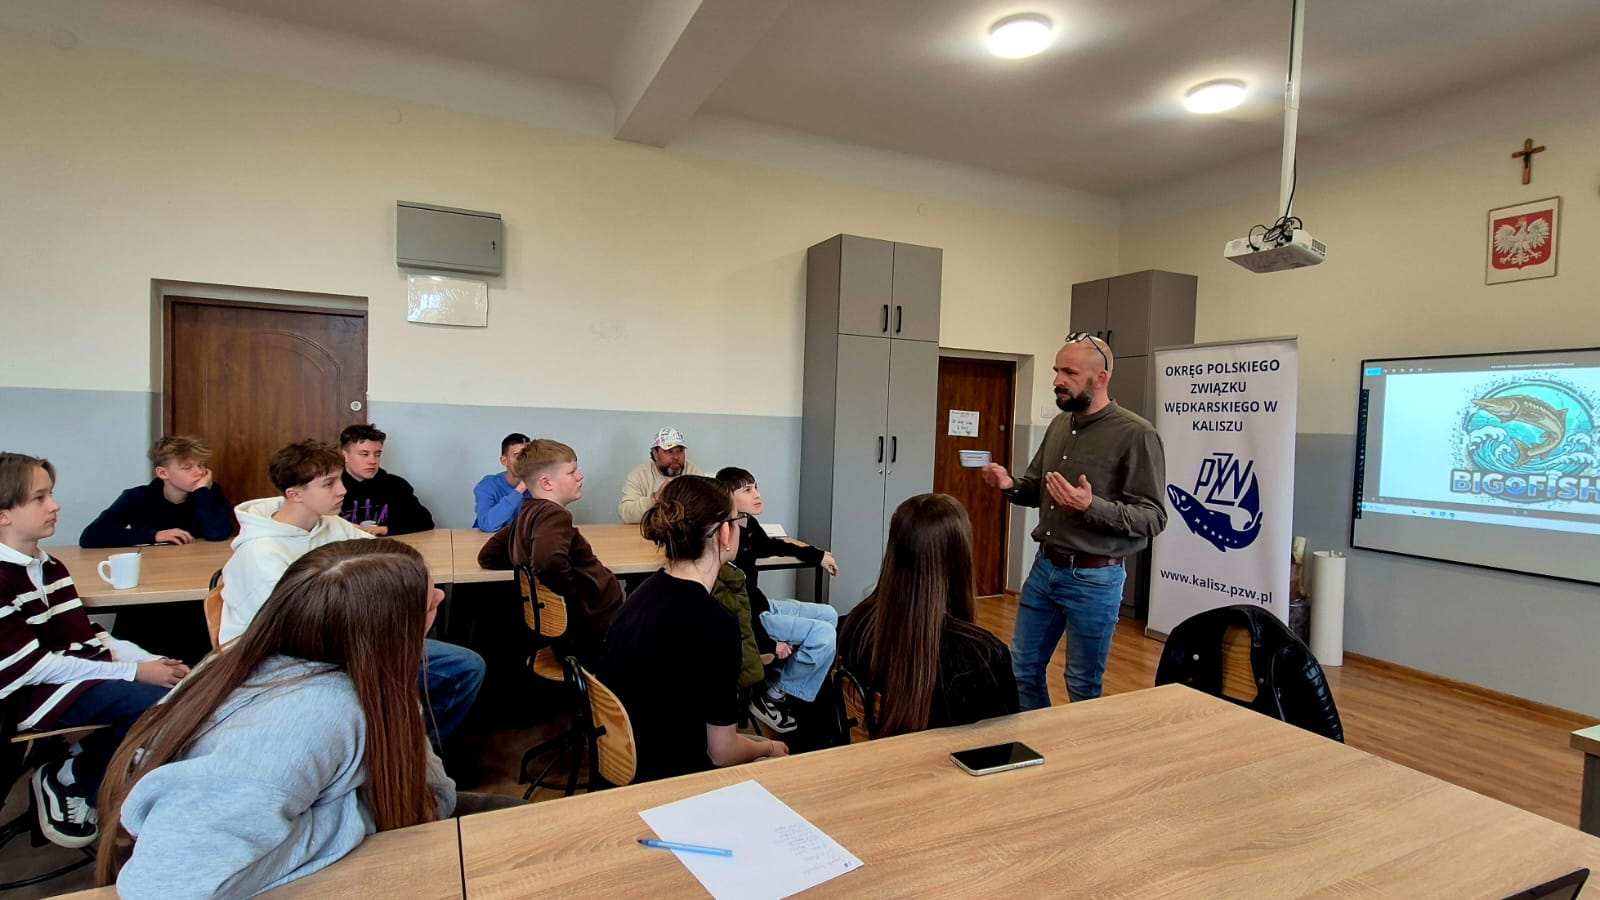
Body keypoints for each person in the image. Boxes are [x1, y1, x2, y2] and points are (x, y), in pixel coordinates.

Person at [96, 540, 522, 898]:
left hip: (368, 823)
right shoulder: (307, 718)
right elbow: (166, 886)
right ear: (383, 629)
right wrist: (358, 816)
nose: (441, 598)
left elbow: (430, 794)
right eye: (427, 601)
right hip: (262, 876)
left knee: (527, 821)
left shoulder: (356, 678)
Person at [221, 440, 483, 746]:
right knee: (404, 679)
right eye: (329, 484)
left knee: (465, 665)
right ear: (295, 494)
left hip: (348, 640)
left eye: (340, 480)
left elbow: (386, 556)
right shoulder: (262, 554)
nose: (342, 490)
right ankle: (388, 751)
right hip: (287, 660)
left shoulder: (331, 525)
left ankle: (415, 751)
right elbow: (295, 635)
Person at [0, 452, 187, 850]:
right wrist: (136, 673)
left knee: (179, 693)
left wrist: (148, 661)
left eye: (51, 494)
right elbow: (32, 668)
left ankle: (80, 769)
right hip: (20, 695)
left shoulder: (49, 565)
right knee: (155, 705)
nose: (55, 506)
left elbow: (88, 637)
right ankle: (72, 778)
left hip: (59, 675)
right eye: (39, 498)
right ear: (3, 515)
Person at [980, 333, 1167, 707]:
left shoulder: (1137, 434)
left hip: (1094, 579)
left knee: (1082, 685)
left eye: (1069, 373)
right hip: (1045, 569)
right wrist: (1009, 484)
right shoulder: (1059, 426)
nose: (1057, 381)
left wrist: (1090, 506)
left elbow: (1153, 518)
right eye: (1056, 371)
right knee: (1022, 671)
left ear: (1101, 378)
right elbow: (1036, 488)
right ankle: (1040, 739)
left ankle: (1079, 746)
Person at [598, 476, 786, 781]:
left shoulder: (640, 595)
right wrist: (769, 747)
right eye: (737, 520)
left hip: (626, 762)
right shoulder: (716, 623)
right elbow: (722, 753)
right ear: (724, 533)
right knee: (776, 756)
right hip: (673, 775)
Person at [837, 493, 1017, 737]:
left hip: (877, 758)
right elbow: (1003, 748)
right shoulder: (982, 656)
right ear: (960, 557)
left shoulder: (855, 624)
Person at [713, 467, 840, 734]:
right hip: (752, 617)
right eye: (747, 490)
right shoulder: (723, 537)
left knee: (829, 614)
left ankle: (780, 679)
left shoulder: (747, 524)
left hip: (760, 604)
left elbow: (774, 546)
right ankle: (773, 695)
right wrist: (770, 643)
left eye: (756, 487)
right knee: (824, 635)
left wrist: (818, 555)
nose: (757, 495)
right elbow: (734, 610)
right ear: (727, 497)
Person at [476, 440, 623, 665]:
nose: (580, 476)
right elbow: (547, 563)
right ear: (546, 483)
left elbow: (488, 556)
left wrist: (526, 562)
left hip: (566, 629)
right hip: (593, 625)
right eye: (571, 472)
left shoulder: (527, 512)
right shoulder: (555, 516)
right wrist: (569, 595)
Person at [80, 435, 233, 547]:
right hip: (153, 567)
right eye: (187, 468)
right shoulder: (138, 497)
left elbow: (218, 533)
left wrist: (202, 493)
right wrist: (154, 535)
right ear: (163, 473)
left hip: (196, 565)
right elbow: (90, 536)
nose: (199, 472)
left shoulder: (208, 492)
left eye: (201, 465)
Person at [338, 424, 434, 535]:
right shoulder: (331, 488)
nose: (372, 461)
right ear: (345, 455)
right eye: (364, 454)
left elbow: (425, 521)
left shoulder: (395, 485)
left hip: (389, 544)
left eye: (377, 454)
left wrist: (384, 530)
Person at [618, 427, 705, 524]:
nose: (676, 457)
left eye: (680, 451)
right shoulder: (639, 475)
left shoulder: (694, 473)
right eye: (669, 451)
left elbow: (705, 510)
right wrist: (654, 499)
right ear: (655, 454)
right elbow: (626, 514)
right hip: (648, 532)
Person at [472, 432, 530, 532]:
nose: (524, 461)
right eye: (518, 456)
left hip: (520, 540)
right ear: (504, 461)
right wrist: (520, 489)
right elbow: (487, 524)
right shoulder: (488, 486)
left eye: (527, 456)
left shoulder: (539, 485)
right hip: (487, 540)